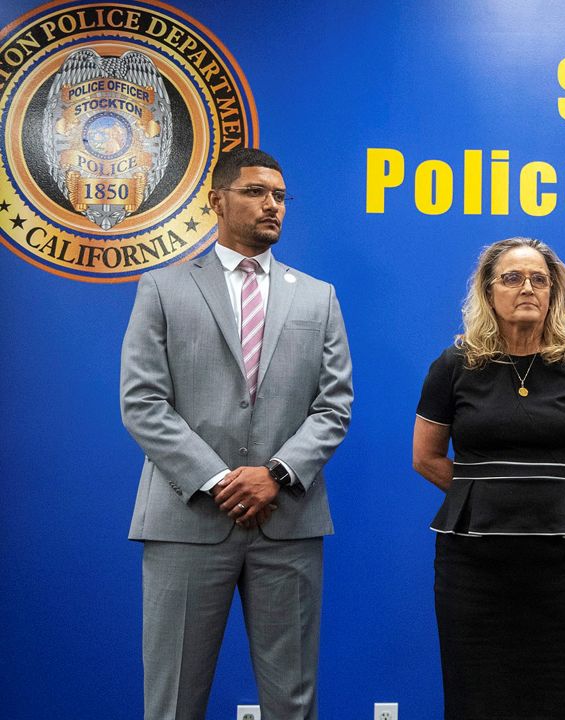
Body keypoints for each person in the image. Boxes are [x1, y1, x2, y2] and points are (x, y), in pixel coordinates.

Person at [120, 147, 353, 720]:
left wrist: (274, 475)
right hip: (187, 517)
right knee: (173, 701)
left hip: (287, 520)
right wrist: (222, 480)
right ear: (216, 201)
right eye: (256, 192)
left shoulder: (317, 296)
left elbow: (335, 405)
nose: (272, 204)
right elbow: (142, 402)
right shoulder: (162, 288)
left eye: (279, 195)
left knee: (293, 701)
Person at [412, 237, 565, 720]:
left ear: (553, 294)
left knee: (561, 697)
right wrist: (485, 494)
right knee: (474, 698)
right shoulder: (454, 365)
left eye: (539, 279)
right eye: (512, 278)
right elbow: (426, 457)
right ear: (488, 292)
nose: (526, 287)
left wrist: (554, 494)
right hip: (473, 568)